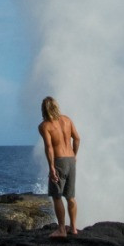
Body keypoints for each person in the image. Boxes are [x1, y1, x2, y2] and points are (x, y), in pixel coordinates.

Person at [38, 96, 80, 237]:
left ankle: (62, 229)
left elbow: (49, 147)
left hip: (59, 161)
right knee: (70, 197)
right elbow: (77, 138)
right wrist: (74, 154)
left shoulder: (44, 126)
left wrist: (51, 168)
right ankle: (73, 228)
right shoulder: (67, 120)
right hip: (70, 160)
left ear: (43, 110)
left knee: (57, 197)